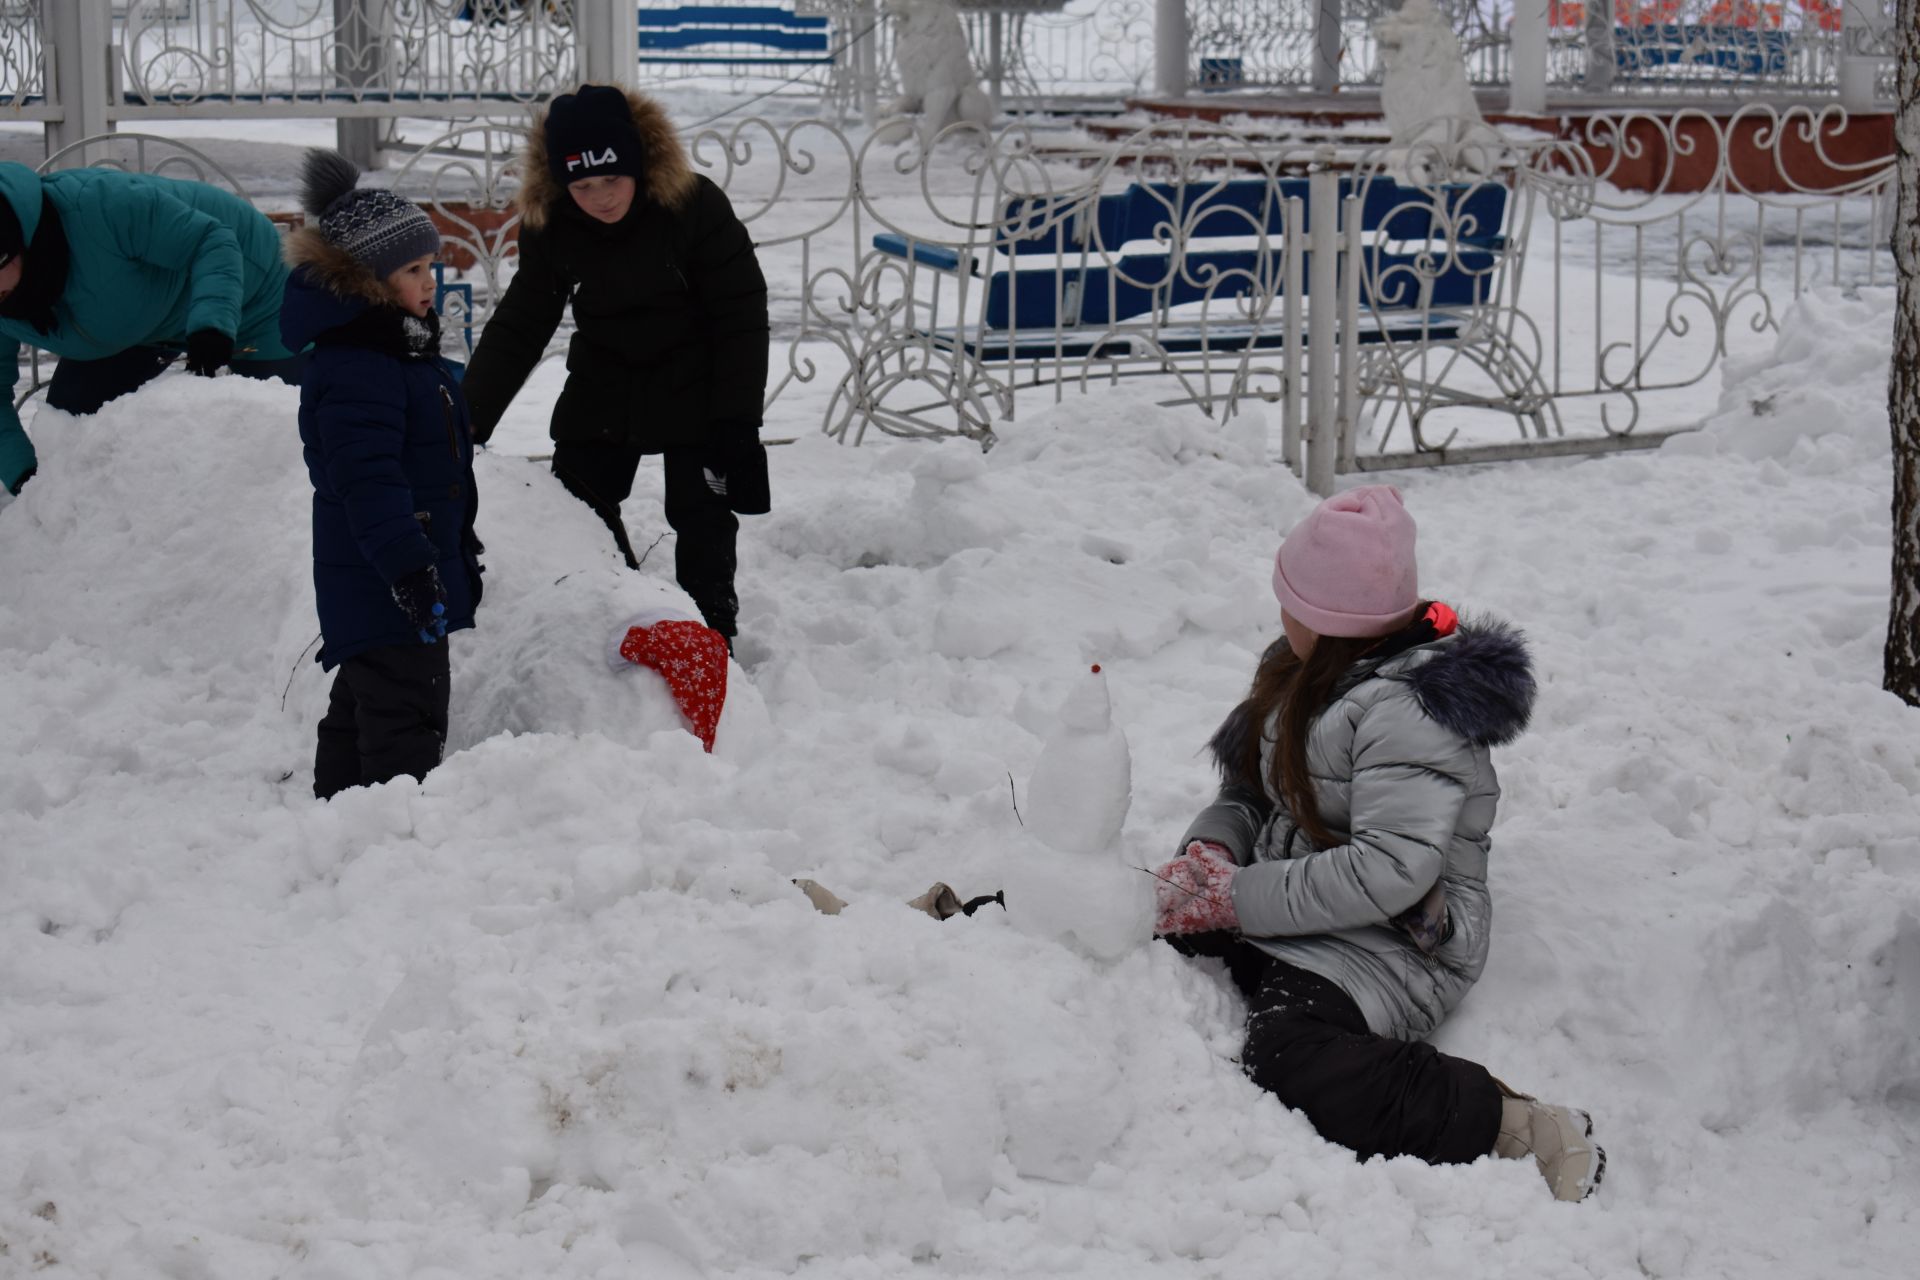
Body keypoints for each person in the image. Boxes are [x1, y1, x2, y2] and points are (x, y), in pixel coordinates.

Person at [1152, 485, 1605, 1202]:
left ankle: (1515, 1125)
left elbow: (1393, 872)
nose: (1280, 614)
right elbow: (1247, 792)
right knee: (1141, 922)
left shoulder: (1409, 711)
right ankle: (981, 929)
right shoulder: (1297, 672)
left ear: (1330, 622)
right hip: (1294, 898)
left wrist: (1234, 901)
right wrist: (1212, 860)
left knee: (1287, 1053)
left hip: (1393, 939)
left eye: (1290, 602)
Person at [460, 84, 770, 645]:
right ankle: (613, 614)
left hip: (695, 374)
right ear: (561, 183)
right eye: (582, 185)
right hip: (607, 375)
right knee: (577, 502)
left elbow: (741, 317)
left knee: (702, 516)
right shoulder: (553, 221)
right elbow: (523, 321)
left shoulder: (694, 204)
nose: (600, 197)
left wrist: (737, 422)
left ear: (639, 164)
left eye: (612, 178)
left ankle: (710, 636)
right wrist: (468, 418)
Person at [280, 150, 483, 799]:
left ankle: (339, 806)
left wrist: (454, 546)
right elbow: (367, 482)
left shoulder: (395, 350)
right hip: (386, 575)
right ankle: (399, 825)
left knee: (367, 697)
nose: (430, 282)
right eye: (413, 270)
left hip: (391, 567)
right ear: (366, 281)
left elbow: (430, 468)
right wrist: (410, 570)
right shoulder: (361, 365)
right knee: (407, 709)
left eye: (431, 266)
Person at [0, 160, 301, 496]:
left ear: (15, 247)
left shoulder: (100, 206)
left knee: (286, 432)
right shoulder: (11, 290)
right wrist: (23, 477)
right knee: (70, 433)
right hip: (134, 321)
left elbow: (212, 241)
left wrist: (211, 324)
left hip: (251, 287)